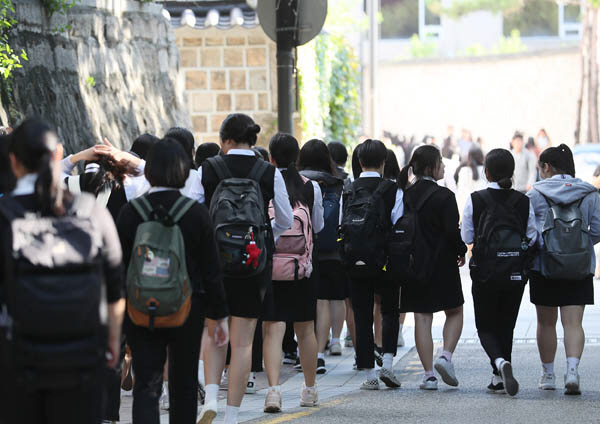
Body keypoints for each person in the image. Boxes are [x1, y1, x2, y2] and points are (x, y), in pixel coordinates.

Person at [0, 118, 125, 424]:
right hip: (83, 357)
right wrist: (112, 340)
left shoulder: (4, 216)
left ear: (13, 162)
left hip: (19, 357)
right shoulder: (91, 211)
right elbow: (114, 286)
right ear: (58, 154)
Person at [117, 137, 229, 424]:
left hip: (140, 308)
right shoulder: (195, 213)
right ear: (183, 171)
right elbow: (211, 270)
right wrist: (218, 318)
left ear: (150, 170)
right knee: (184, 383)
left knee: (146, 384)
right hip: (187, 308)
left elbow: (118, 267)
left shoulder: (131, 213)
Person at [197, 113, 293, 424]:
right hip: (254, 263)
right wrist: (265, 238)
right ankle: (232, 416)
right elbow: (285, 219)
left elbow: (197, 212)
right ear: (252, 141)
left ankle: (210, 396)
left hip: (214, 262)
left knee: (212, 333)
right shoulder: (268, 171)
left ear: (225, 140)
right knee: (242, 343)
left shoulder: (209, 168)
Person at [461, 148, 538, 396]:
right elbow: (532, 236)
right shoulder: (523, 201)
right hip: (515, 271)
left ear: (486, 172)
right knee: (507, 326)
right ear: (513, 173)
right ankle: (499, 376)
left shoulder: (476, 199)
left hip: (485, 272)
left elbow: (467, 236)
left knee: (485, 326)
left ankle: (499, 363)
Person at [527, 144, 600, 395]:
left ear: (546, 167)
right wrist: (579, 246)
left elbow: (529, 232)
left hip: (543, 264)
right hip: (579, 266)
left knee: (546, 323)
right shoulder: (589, 193)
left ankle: (548, 375)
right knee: (573, 323)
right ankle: (572, 371)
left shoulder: (535, 194)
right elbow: (598, 229)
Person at [262, 133, 324, 413]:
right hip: (302, 269)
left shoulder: (265, 183)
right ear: (297, 158)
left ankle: (274, 392)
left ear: (271, 157)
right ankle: (309, 390)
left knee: (272, 330)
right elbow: (319, 226)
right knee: (305, 330)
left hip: (270, 268)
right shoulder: (311, 187)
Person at [398, 145, 466, 391]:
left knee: (422, 318)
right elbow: (451, 231)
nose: (444, 166)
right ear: (431, 167)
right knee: (455, 311)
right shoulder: (445, 196)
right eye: (441, 162)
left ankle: (428, 375)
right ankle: (446, 356)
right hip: (442, 262)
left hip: (413, 263)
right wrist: (462, 250)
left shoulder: (404, 195)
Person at [340, 139, 404, 390]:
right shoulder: (393, 189)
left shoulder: (348, 188)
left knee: (362, 314)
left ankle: (368, 373)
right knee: (389, 311)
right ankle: (387, 361)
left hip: (354, 258)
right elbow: (399, 222)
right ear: (384, 161)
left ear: (358, 161)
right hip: (385, 259)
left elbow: (340, 224)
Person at [298, 139, 345, 373]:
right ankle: (323, 348)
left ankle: (302, 350)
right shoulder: (338, 183)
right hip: (332, 249)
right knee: (327, 299)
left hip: (301, 248)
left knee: (309, 300)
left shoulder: (295, 181)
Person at [454, 146, 486, 216]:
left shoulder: (463, 170)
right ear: (482, 157)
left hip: (463, 206)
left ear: (468, 157)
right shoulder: (485, 171)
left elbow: (460, 190)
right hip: (482, 207)